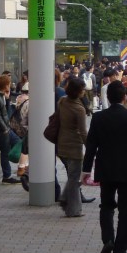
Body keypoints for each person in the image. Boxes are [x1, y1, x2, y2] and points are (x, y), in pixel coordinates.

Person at [82, 83, 127, 253]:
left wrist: (86, 170)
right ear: (124, 97)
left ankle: (108, 239)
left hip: (106, 169)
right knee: (125, 210)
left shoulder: (98, 118)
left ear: (108, 98)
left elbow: (91, 146)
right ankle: (120, 250)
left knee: (106, 206)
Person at [56, 77, 88, 217]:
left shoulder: (62, 101)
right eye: (82, 89)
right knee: (75, 179)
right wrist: (90, 147)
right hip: (74, 146)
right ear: (78, 91)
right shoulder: (79, 109)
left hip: (61, 143)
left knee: (72, 177)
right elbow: (83, 132)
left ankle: (64, 198)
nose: (84, 91)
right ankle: (73, 210)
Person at [0, 74, 20, 184]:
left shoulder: (1, 95)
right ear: (5, 85)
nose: (10, 86)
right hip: (2, 130)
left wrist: (7, 99)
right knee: (5, 152)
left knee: (18, 142)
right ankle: (7, 176)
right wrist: (4, 129)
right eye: (9, 84)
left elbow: (6, 112)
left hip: (6, 128)